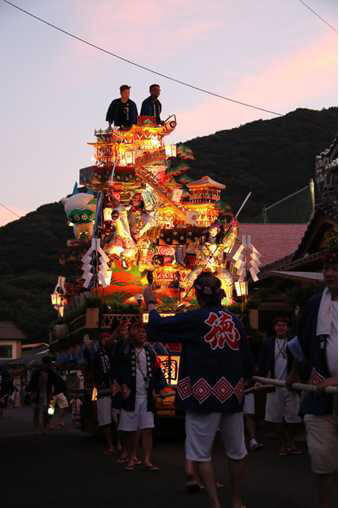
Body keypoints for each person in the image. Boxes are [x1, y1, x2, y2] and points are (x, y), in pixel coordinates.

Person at [144, 272, 252, 508]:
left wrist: (151, 302)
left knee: (201, 453)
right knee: (237, 451)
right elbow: (247, 361)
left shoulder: (194, 318)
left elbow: (156, 327)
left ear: (197, 295)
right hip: (232, 395)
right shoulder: (236, 321)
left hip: (202, 395)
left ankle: (215, 504)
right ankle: (236, 500)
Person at [294, 246, 338, 508]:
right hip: (319, 393)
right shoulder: (313, 305)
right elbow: (299, 343)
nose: (329, 273)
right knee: (321, 460)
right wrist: (293, 372)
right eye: (326, 268)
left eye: (336, 268)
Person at [116, 321, 166, 471]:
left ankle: (147, 460)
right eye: (139, 332)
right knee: (130, 431)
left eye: (144, 333)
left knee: (147, 429)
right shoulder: (126, 350)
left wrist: (159, 388)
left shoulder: (150, 351)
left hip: (146, 397)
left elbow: (157, 372)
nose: (142, 335)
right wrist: (122, 384)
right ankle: (132, 458)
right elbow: (119, 368)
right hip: (131, 396)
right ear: (132, 334)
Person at [259, 316, 302, 456]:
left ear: (288, 328)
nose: (281, 327)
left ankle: (290, 442)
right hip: (274, 384)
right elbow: (263, 362)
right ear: (274, 327)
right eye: (278, 325)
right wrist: (262, 378)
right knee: (276, 417)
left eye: (283, 325)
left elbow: (301, 360)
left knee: (294, 417)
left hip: (291, 385)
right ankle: (284, 444)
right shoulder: (268, 343)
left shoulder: (294, 342)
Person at [93, 332, 115, 455]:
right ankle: (111, 445)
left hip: (115, 388)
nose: (106, 340)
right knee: (106, 420)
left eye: (108, 338)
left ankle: (119, 444)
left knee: (118, 418)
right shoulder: (97, 355)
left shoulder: (114, 352)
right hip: (103, 388)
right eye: (104, 338)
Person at [27, 357, 58, 433]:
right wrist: (32, 393)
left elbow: (55, 382)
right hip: (38, 393)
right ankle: (37, 426)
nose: (49, 365)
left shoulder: (51, 372)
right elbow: (32, 383)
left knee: (46, 411)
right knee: (36, 410)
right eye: (48, 363)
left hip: (47, 393)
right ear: (44, 363)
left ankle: (44, 427)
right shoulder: (37, 372)